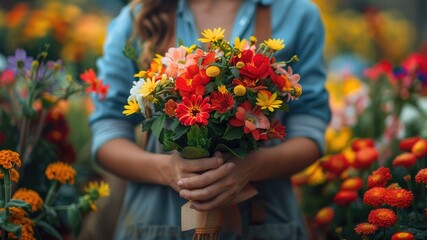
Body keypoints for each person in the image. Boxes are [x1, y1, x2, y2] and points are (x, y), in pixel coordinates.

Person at [89, 0, 331, 239]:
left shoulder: (297, 14)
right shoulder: (137, 18)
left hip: (264, 222)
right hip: (157, 222)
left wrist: (253, 166)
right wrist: (167, 170)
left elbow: (309, 129)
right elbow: (107, 131)